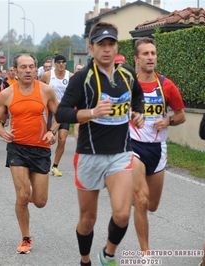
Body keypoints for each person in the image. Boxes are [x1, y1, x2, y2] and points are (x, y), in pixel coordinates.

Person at [55, 22, 145, 266]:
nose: (107, 50)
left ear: (116, 47)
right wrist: (91, 113)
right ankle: (85, 260)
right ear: (91, 48)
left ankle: (109, 254)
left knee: (123, 213)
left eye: (111, 44)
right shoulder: (82, 79)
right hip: (90, 155)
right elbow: (61, 114)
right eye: (101, 45)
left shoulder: (126, 74)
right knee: (87, 219)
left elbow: (137, 97)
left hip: (120, 153)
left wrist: (138, 113)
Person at [0, 53, 59, 254]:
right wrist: (2, 131)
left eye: (31, 67)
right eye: (23, 67)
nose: (28, 70)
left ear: (35, 69)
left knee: (40, 202)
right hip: (17, 148)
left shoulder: (46, 91)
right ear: (16, 70)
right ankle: (26, 237)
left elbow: (60, 113)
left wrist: (52, 131)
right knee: (22, 197)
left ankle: (31, 191)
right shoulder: (7, 94)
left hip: (41, 149)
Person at [131, 37, 186, 257]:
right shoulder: (128, 84)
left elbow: (181, 116)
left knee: (152, 205)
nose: (150, 57)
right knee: (142, 202)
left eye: (153, 53)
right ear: (137, 59)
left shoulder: (166, 85)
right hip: (133, 146)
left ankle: (131, 196)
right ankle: (146, 254)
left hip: (157, 149)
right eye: (145, 54)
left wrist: (168, 121)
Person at [40, 54, 73, 177]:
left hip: (64, 111)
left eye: (63, 62)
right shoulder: (48, 75)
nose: (61, 64)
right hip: (50, 111)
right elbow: (39, 88)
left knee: (62, 139)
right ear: (55, 63)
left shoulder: (70, 76)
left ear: (65, 64)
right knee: (48, 139)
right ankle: (44, 162)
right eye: (58, 62)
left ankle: (55, 166)